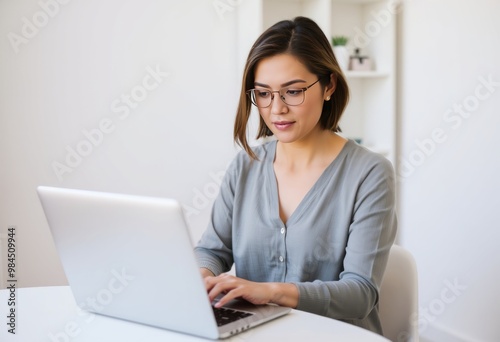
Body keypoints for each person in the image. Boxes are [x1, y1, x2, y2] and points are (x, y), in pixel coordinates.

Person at [194, 16, 397, 335]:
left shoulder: (369, 174)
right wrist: (202, 276)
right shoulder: (245, 165)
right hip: (257, 333)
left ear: (329, 85)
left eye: (293, 91)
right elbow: (212, 250)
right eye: (263, 94)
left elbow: (360, 293)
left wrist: (272, 292)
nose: (276, 109)